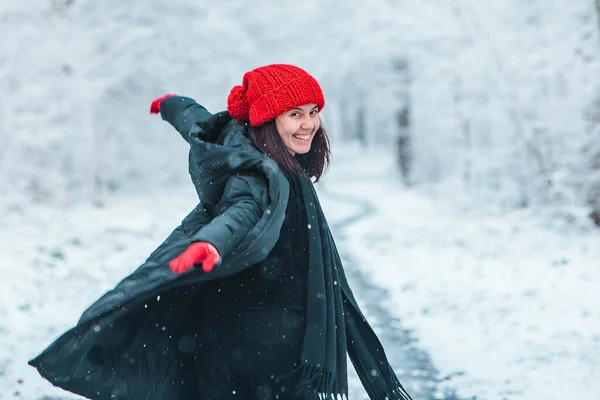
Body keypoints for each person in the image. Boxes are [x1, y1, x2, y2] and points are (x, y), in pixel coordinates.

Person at [29, 64, 413, 400]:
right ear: (267, 119)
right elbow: (241, 211)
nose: (309, 123)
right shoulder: (262, 173)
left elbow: (196, 122)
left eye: (313, 111)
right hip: (260, 350)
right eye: (295, 113)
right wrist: (210, 242)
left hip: (242, 336)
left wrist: (171, 104)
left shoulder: (234, 139)